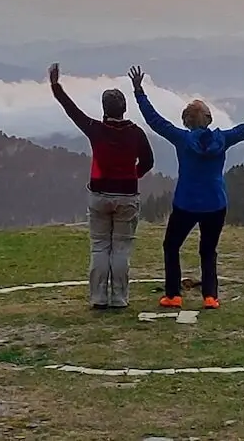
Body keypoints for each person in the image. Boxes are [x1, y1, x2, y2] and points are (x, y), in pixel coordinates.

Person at [128, 65, 244, 310]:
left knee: (171, 245)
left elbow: (155, 121)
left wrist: (139, 91)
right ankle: (210, 296)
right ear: (209, 119)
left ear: (186, 122)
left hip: (186, 203)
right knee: (208, 250)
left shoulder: (181, 138)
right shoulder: (223, 139)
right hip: (215, 203)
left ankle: (173, 295)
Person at [50, 63, 155, 310]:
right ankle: (119, 298)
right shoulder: (136, 133)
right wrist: (133, 175)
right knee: (121, 249)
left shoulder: (96, 129)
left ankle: (98, 297)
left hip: (99, 194)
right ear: (124, 108)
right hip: (127, 196)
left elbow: (71, 110)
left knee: (99, 247)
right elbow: (148, 161)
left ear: (104, 109)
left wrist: (56, 86)